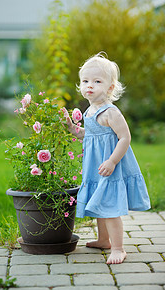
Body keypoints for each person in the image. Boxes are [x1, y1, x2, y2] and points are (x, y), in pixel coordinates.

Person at [62, 52, 150, 264]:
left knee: (109, 205)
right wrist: (71, 128)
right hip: (95, 165)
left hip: (111, 164)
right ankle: (104, 240)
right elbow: (88, 134)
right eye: (85, 81)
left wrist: (112, 161)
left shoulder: (111, 112)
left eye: (97, 81)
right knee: (99, 201)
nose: (89, 85)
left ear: (110, 88)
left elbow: (125, 137)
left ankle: (118, 248)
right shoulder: (90, 111)